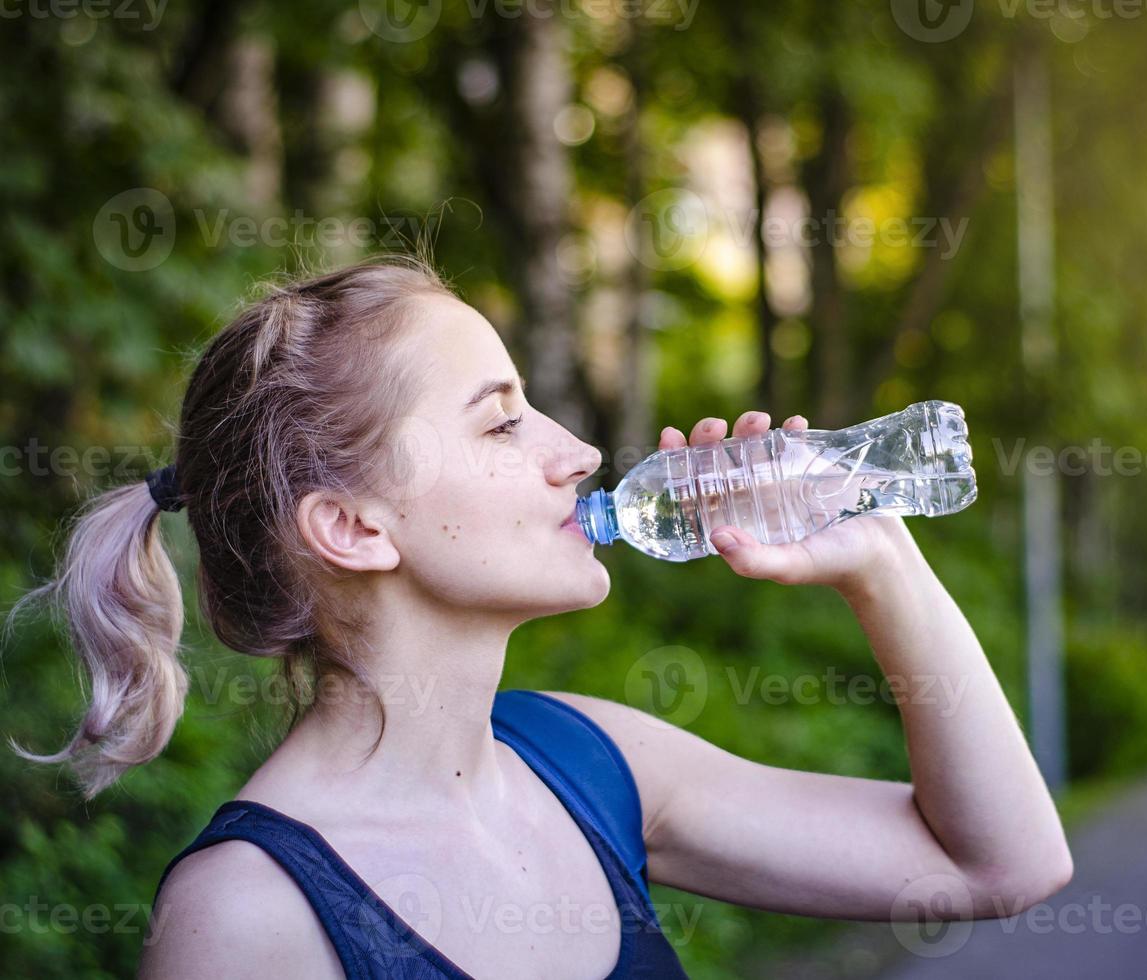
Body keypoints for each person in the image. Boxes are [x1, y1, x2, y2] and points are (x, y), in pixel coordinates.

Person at [9, 257, 1071, 978]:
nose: (575, 452)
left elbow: (999, 865)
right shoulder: (244, 917)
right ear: (353, 526)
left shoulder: (591, 759)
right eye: (503, 420)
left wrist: (875, 555)